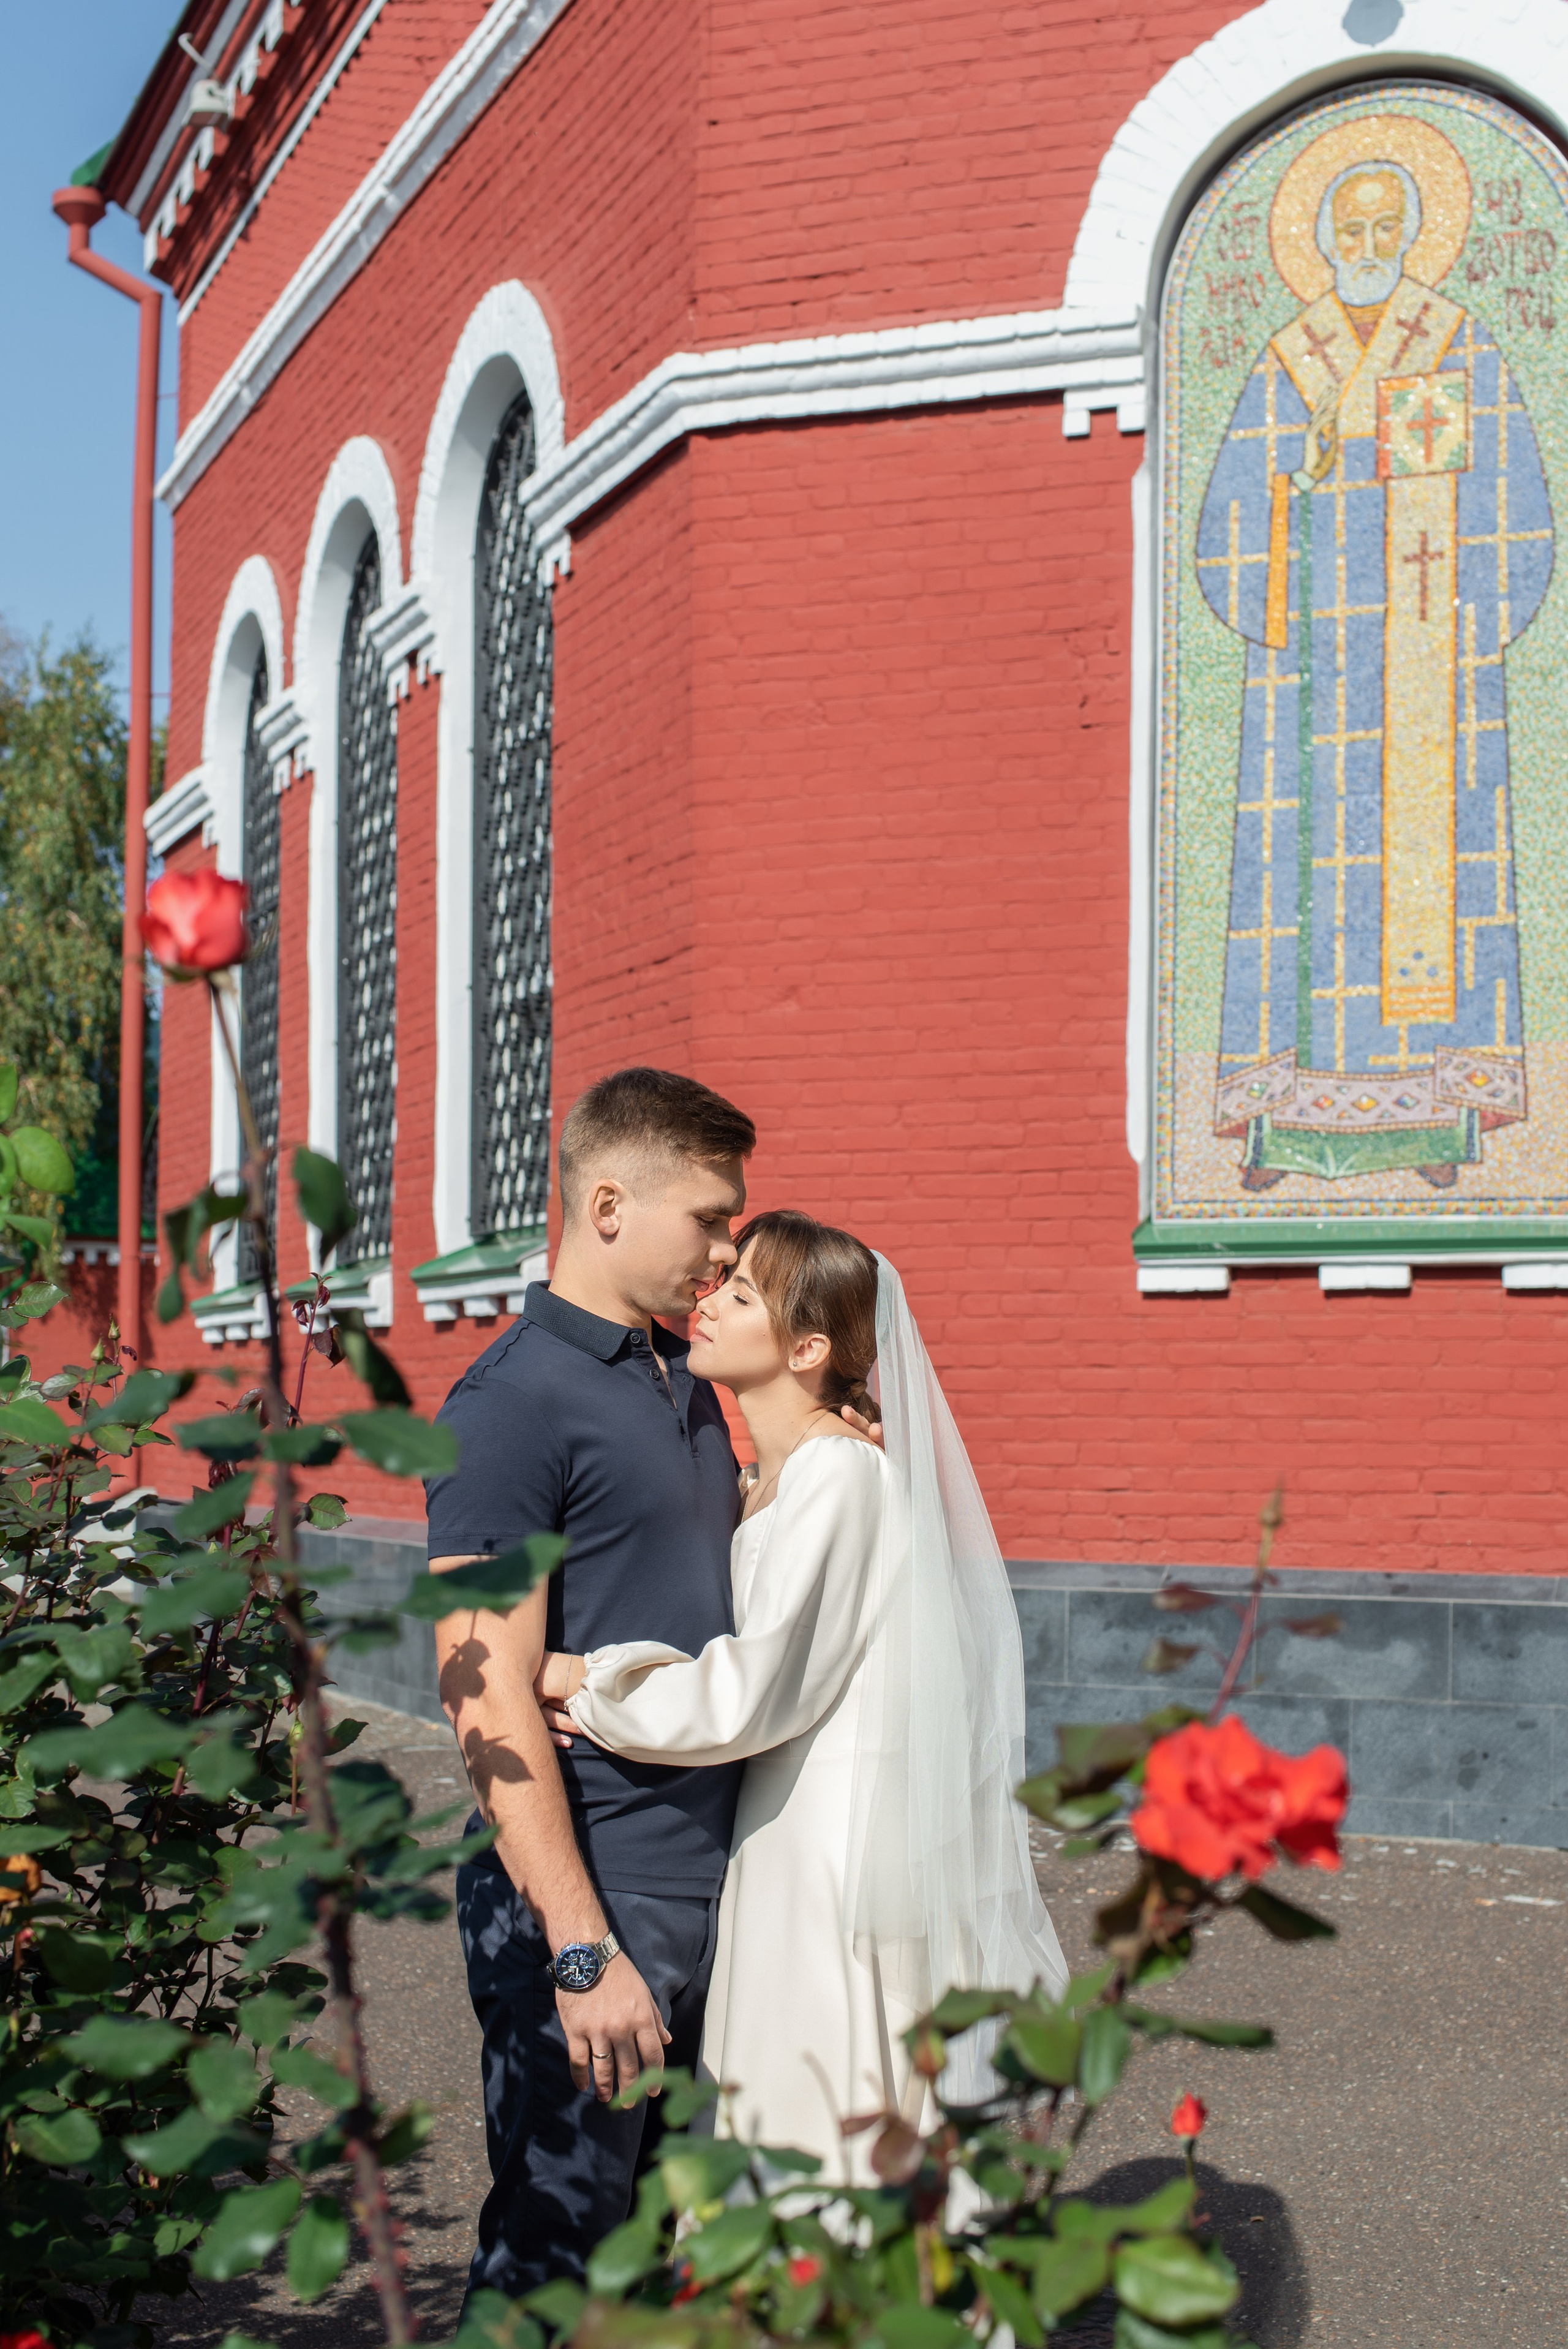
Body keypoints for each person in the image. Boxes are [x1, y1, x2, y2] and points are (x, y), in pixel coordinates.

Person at [534, 1210, 1067, 2174]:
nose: (709, 1301)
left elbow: (755, 1689)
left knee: (820, 2110)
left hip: (834, 1845)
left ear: (809, 1347)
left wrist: (586, 1678)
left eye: (741, 1296)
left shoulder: (836, 1474)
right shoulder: (774, 1477)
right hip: (787, 1825)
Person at [424, 1067, 757, 2301]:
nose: (723, 1251)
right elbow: (480, 1686)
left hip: (715, 1893)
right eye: (709, 1218)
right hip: (592, 1899)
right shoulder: (509, 1404)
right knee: (550, 2267)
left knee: (665, 2274)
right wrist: (577, 1947)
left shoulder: (681, 1376)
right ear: (607, 1203)